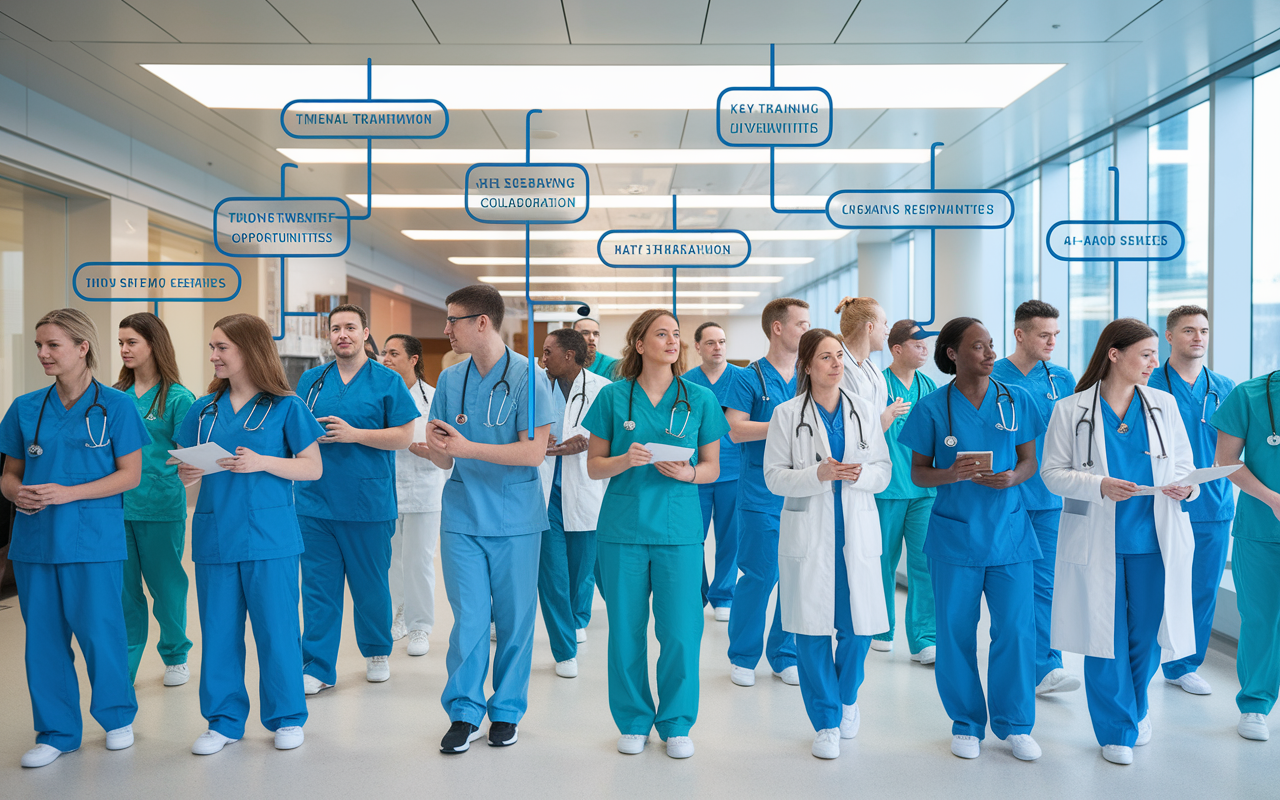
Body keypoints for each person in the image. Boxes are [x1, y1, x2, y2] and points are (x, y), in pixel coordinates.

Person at [1040, 318, 1197, 766]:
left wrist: (1189, 487)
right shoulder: (1071, 410)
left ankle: (1134, 709)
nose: (1153, 362)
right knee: (1102, 638)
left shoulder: (1163, 404)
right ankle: (1116, 729)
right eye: (1145, 354)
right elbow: (1052, 473)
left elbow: (1184, 465)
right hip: (1098, 541)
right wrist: (1099, 484)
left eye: (1153, 355)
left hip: (1154, 539)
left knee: (1145, 638)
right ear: (1114, 354)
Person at [0, 308, 149, 768]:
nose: (43, 354)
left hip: (92, 541)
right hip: (36, 542)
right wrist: (16, 494)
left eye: (53, 345)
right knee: (42, 640)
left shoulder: (117, 405)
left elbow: (130, 476)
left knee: (101, 632)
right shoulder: (26, 407)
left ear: (82, 348)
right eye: (39, 346)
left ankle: (117, 717)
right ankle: (57, 732)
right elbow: (9, 474)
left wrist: (68, 493)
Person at [175, 313, 325, 756]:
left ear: (249, 350)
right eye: (212, 348)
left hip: (269, 537)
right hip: (216, 535)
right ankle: (222, 721)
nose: (214, 356)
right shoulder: (203, 409)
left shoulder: (286, 406)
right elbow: (187, 475)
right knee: (218, 631)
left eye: (222, 347)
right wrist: (187, 472)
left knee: (277, 631)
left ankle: (286, 718)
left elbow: (312, 467)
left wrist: (263, 462)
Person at [897, 316, 1044, 762]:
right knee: (955, 632)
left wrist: (1012, 478)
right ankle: (965, 722)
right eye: (978, 347)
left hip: (1010, 534)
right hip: (955, 537)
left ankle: (1016, 724)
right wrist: (951, 473)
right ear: (952, 354)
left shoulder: (1015, 399)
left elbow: (1029, 461)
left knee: (1017, 631)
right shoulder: (931, 407)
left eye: (991, 345)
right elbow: (918, 470)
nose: (989, 353)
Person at [583, 308, 728, 759]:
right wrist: (625, 460)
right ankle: (632, 719)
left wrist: (687, 474)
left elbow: (711, 468)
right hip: (622, 530)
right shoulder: (612, 397)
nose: (672, 341)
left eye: (676, 334)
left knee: (682, 631)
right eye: (661, 334)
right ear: (639, 344)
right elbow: (593, 466)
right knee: (626, 629)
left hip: (679, 530)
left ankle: (677, 722)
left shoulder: (699, 398)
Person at [425, 284, 553, 754]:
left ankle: (505, 711)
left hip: (515, 516)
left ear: (481, 322)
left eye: (452, 320)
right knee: (470, 620)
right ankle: (464, 711)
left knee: (516, 621)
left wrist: (462, 447)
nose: (446, 330)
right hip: (461, 513)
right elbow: (445, 458)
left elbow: (533, 451)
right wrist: (435, 451)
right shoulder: (451, 380)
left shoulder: (528, 377)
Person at [763, 328, 892, 759]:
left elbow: (883, 469)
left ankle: (846, 695)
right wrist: (816, 476)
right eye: (825, 358)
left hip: (854, 532)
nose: (836, 364)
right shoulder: (786, 414)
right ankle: (826, 721)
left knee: (857, 630)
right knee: (811, 633)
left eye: (839, 356)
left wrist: (862, 475)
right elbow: (774, 476)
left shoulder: (865, 409)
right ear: (806, 366)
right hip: (812, 534)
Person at [295, 305, 419, 694]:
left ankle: (377, 651)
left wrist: (355, 434)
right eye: (335, 329)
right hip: (315, 502)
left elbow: (403, 436)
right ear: (328, 336)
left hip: (368, 501)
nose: (342, 334)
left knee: (370, 587)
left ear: (366, 332)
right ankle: (317, 666)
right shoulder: (311, 381)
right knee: (318, 588)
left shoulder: (387, 381)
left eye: (350, 327)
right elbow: (294, 430)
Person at [991, 300, 1081, 696]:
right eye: (1044, 334)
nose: (1051, 341)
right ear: (1020, 334)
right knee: (1009, 587)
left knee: (1045, 584)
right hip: (1002, 497)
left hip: (1048, 498)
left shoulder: (1061, 379)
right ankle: (1016, 660)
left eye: (1056, 335)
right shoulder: (990, 376)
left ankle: (1047, 665)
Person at [1147, 305, 1236, 695]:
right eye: (1188, 330)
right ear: (1169, 337)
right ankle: (1144, 660)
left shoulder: (1225, 388)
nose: (1198, 337)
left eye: (1203, 330)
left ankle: (1183, 665)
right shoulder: (1150, 385)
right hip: (1161, 501)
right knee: (1153, 585)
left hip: (1213, 503)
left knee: (1202, 587)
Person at [724, 298, 809, 687]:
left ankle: (784, 653)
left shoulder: (811, 375)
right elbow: (736, 430)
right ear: (778, 328)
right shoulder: (749, 377)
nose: (806, 331)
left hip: (804, 493)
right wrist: (784, 422)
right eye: (800, 325)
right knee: (761, 574)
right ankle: (743, 655)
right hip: (761, 492)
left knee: (796, 576)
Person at [115, 312, 196, 687]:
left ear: (153, 345)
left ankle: (176, 653)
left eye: (132, 342)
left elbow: (189, 454)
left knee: (166, 586)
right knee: (125, 591)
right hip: (118, 506)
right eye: (121, 343)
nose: (125, 349)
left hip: (161, 505)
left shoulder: (178, 398)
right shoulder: (114, 397)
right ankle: (126, 663)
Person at [537, 327, 610, 678]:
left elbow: (614, 435)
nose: (542, 357)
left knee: (581, 570)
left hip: (584, 488)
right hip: (543, 488)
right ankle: (564, 649)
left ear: (569, 355)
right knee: (551, 574)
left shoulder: (602, 389)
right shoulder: (535, 384)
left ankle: (577, 617)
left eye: (549, 351)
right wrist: (537, 440)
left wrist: (586, 440)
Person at [1211, 371, 1280, 741]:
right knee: (1261, 618)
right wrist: (1272, 499)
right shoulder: (1251, 394)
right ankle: (1255, 703)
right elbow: (1225, 460)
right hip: (1262, 529)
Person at [873, 320, 938, 663]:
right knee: (882, 561)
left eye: (926, 344)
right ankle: (881, 629)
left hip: (924, 492)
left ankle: (924, 638)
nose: (925, 349)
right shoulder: (876, 384)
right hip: (886, 489)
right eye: (918, 344)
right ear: (897, 349)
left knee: (925, 563)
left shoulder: (929, 386)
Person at [382, 334, 448, 657]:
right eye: (384, 353)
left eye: (394, 353)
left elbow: (447, 445)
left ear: (414, 360)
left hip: (425, 489)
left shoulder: (434, 399)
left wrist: (430, 452)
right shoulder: (381, 395)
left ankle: (421, 625)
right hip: (388, 490)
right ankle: (400, 614)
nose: (386, 358)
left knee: (419, 560)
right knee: (392, 559)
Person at [682, 321, 745, 621]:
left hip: (733, 470)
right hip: (697, 472)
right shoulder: (684, 383)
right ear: (697, 347)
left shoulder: (742, 379)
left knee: (730, 536)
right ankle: (696, 592)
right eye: (710, 342)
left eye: (721, 342)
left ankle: (724, 594)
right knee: (694, 536)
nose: (717, 347)